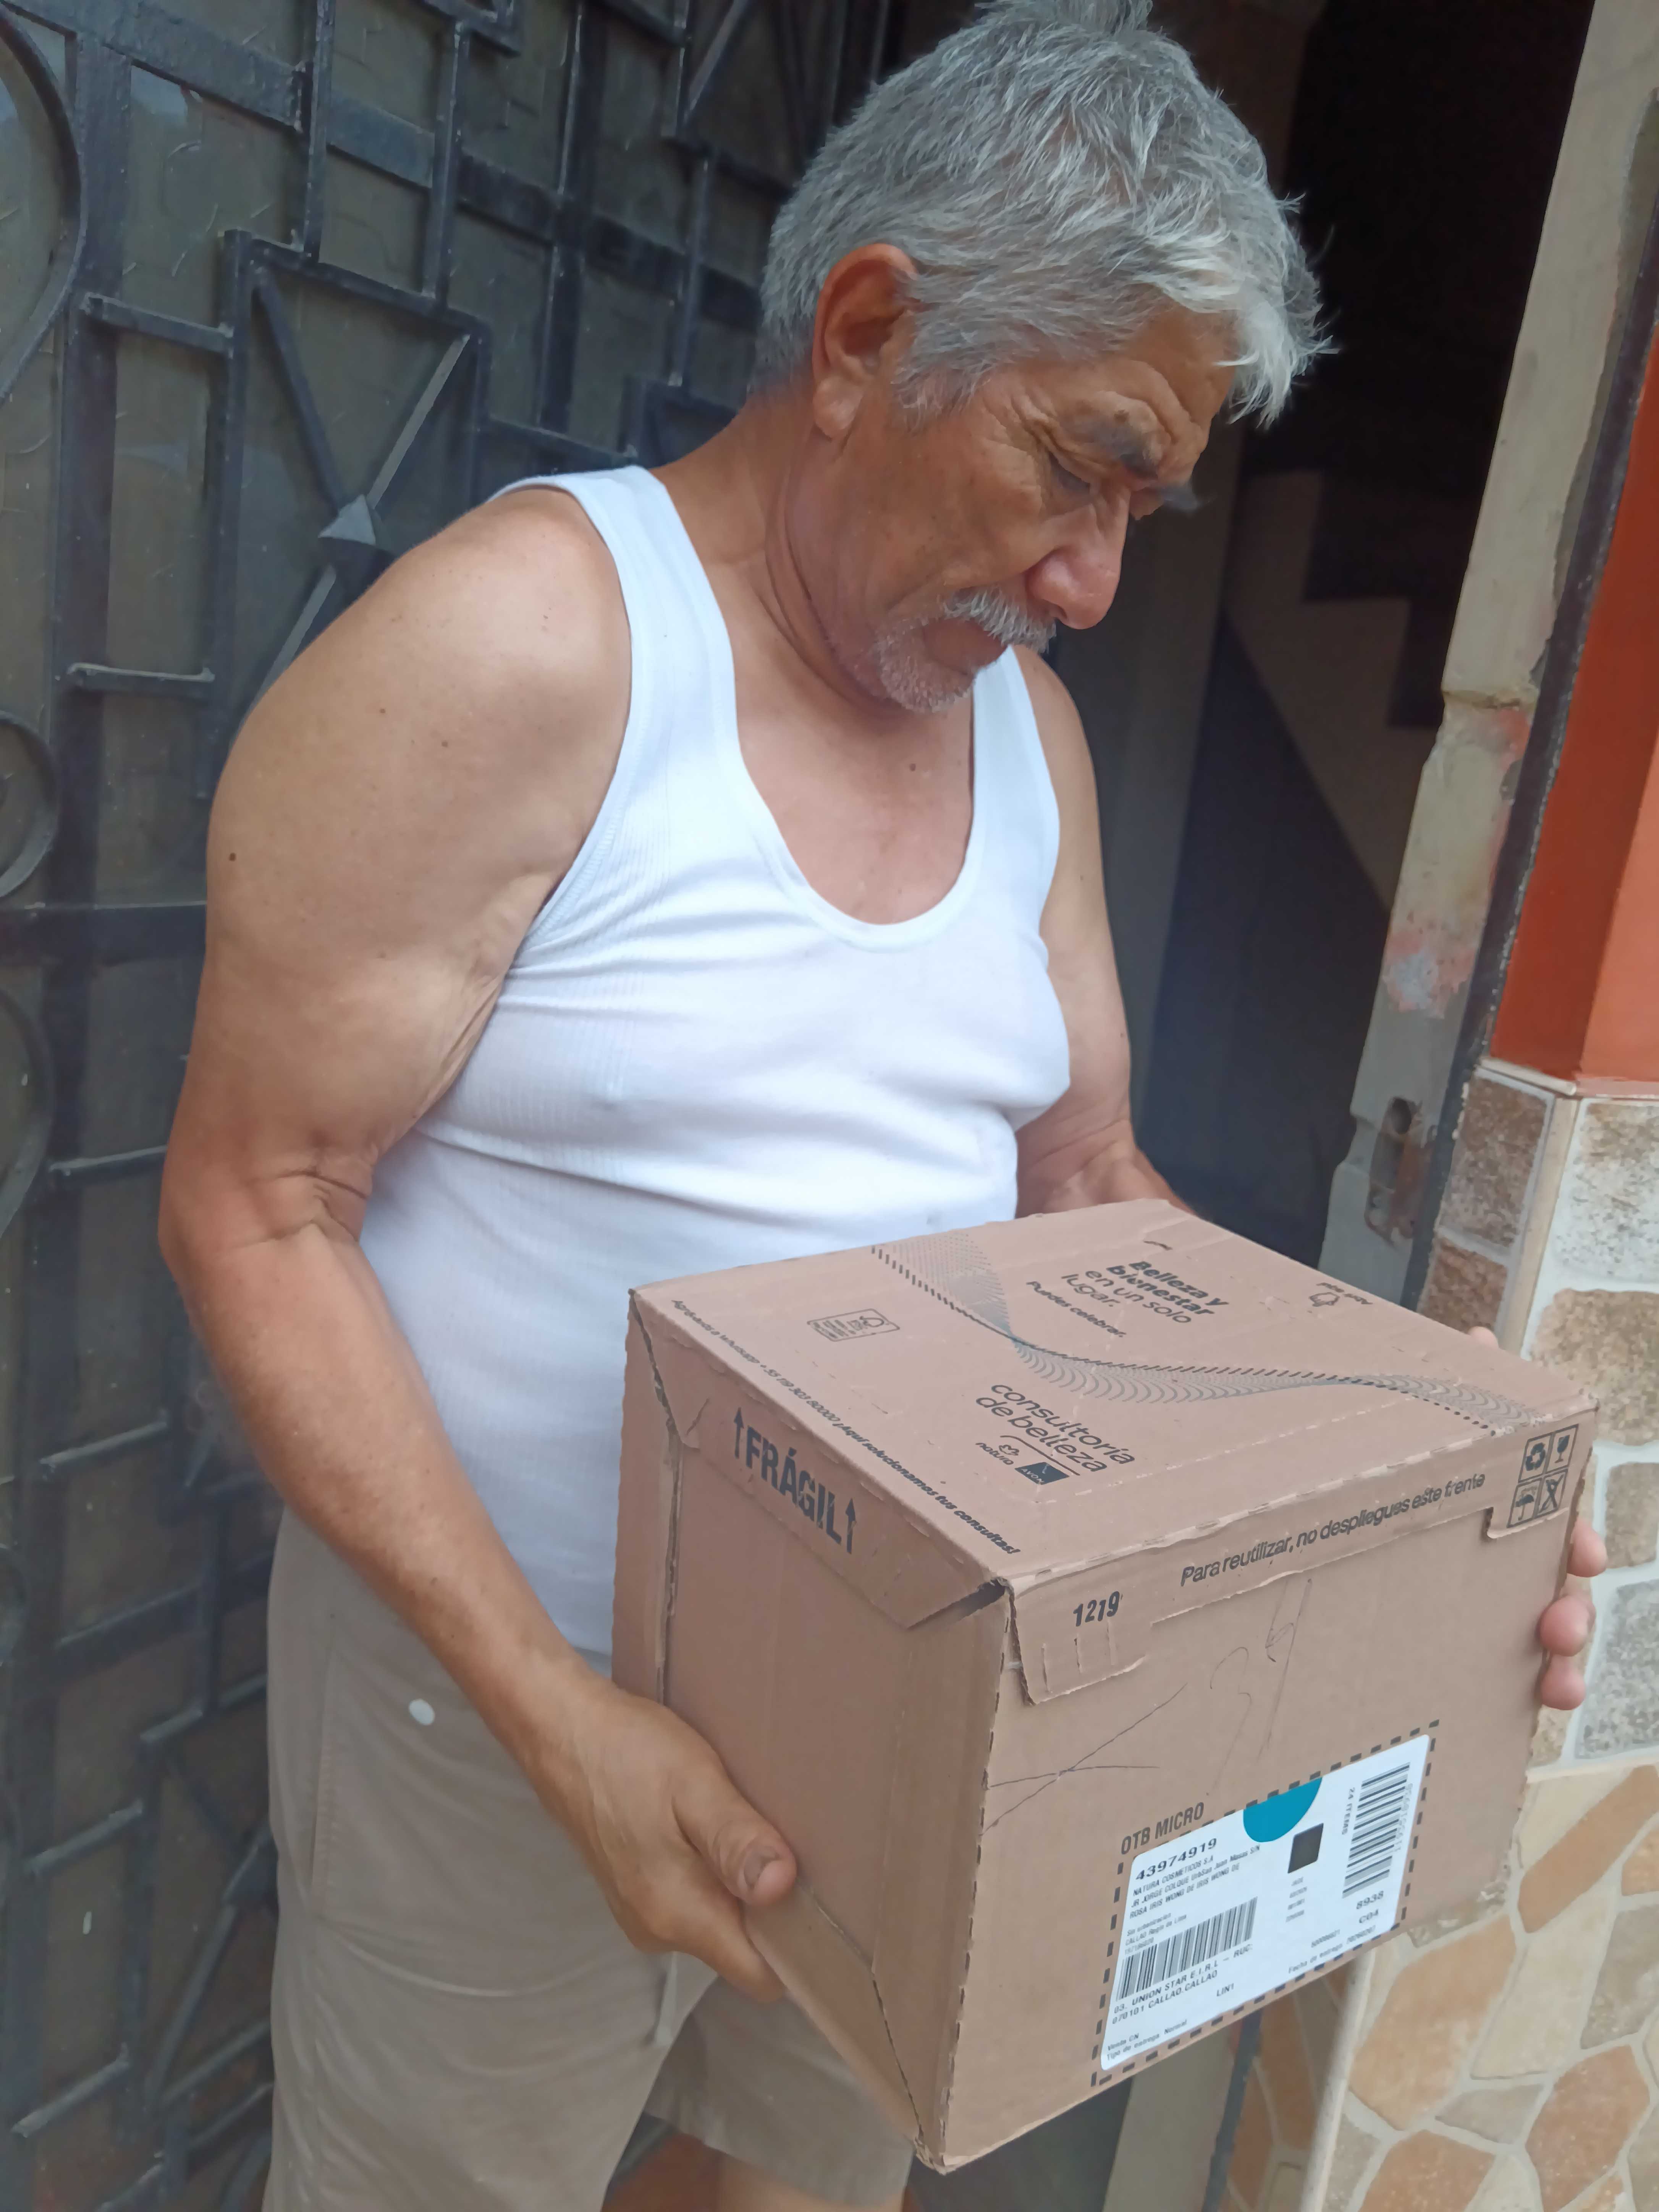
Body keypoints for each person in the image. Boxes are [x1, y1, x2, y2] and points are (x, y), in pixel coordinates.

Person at [159, 1, 1603, 2205]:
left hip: (904, 1707)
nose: (1092, 585)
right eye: (1076, 466)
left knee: (794, 2182)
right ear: (861, 336)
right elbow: (256, 1204)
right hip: (500, 1705)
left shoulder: (1031, 744)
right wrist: (556, 1717)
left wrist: (1410, 1481)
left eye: (1142, 506)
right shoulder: (523, 652)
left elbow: (1083, 1181)